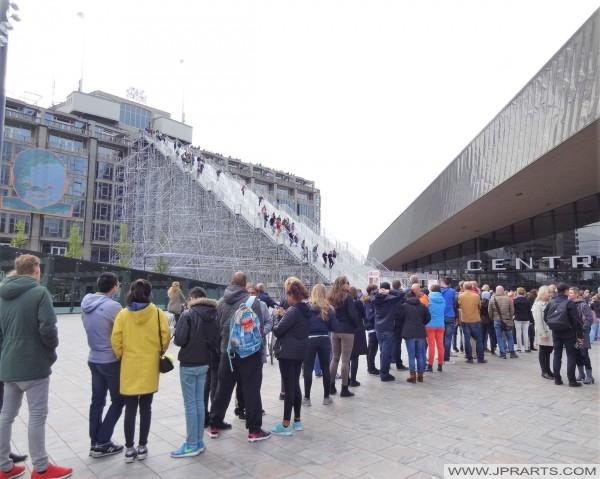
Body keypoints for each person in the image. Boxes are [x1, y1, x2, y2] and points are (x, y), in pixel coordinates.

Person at [0, 255, 73, 479]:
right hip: (34, 364)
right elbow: (48, 328)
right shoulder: (40, 293)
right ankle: (41, 467)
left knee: (6, 415)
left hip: (8, 363)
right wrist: (50, 350)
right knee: (37, 416)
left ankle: (4, 466)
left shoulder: (2, 294)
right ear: (36, 270)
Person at [111, 279, 171, 462]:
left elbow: (116, 339)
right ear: (149, 292)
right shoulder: (158, 313)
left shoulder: (122, 314)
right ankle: (142, 445)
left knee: (130, 409)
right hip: (149, 365)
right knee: (146, 408)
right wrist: (158, 352)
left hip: (129, 365)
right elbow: (166, 336)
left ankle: (129, 449)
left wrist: (122, 355)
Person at [207, 272, 271, 442]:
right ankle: (254, 430)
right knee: (251, 390)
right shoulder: (253, 302)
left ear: (231, 283)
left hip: (227, 353)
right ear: (245, 285)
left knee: (223, 389)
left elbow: (217, 328)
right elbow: (258, 328)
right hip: (249, 354)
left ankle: (214, 424)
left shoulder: (220, 303)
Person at [171, 287, 220, 458]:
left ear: (192, 298)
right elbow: (216, 340)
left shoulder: (188, 315)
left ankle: (192, 444)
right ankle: (198, 441)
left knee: (190, 404)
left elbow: (179, 340)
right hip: (205, 362)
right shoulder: (214, 314)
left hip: (189, 363)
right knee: (199, 401)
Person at [81, 272, 125, 458]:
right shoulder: (114, 306)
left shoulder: (86, 303)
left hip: (94, 358)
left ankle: (95, 440)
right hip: (110, 360)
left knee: (97, 401)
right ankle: (103, 440)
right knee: (118, 400)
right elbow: (124, 331)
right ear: (114, 287)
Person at [271, 277, 311, 436]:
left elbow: (278, 330)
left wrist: (279, 316)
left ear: (292, 295)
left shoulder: (293, 311)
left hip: (287, 352)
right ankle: (297, 420)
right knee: (295, 384)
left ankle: (286, 424)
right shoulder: (306, 309)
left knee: (289, 387)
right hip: (300, 351)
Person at [544, 283, 583, 387]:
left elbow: (545, 316)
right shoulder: (569, 303)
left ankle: (557, 379)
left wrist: (552, 325)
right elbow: (576, 321)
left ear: (557, 290)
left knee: (557, 354)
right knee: (571, 355)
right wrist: (580, 334)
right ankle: (572, 381)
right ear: (566, 291)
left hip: (556, 332)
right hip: (568, 332)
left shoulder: (551, 302)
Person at [303, 284, 336, 406]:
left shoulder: (307, 307)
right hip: (324, 339)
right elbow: (333, 326)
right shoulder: (329, 308)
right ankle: (326, 397)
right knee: (325, 368)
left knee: (308, 369)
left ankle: (307, 398)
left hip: (309, 339)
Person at [328, 276, 359, 397]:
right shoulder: (348, 297)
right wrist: (356, 325)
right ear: (342, 284)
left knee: (335, 358)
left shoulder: (331, 297)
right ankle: (344, 389)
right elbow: (352, 315)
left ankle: (331, 387)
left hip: (334, 331)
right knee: (345, 360)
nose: (348, 284)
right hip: (347, 331)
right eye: (347, 283)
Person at [373, 282, 404, 382]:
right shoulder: (391, 299)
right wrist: (389, 291)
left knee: (383, 350)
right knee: (386, 351)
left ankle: (384, 370)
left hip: (378, 327)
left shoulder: (374, 298)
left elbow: (370, 294)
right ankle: (384, 374)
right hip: (388, 328)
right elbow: (401, 294)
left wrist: (379, 290)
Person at [400, 289, 431, 383]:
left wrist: (405, 325)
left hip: (409, 333)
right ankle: (421, 375)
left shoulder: (404, 306)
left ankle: (412, 376)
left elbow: (400, 319)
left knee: (411, 355)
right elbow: (428, 318)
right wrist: (422, 323)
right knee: (420, 355)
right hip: (421, 332)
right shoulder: (422, 306)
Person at [569, 287, 594, 384]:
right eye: (569, 293)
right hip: (573, 335)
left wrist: (582, 329)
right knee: (577, 354)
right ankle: (581, 374)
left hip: (582, 335)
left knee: (584, 354)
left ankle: (589, 376)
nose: (569, 295)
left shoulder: (583, 305)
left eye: (571, 293)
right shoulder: (569, 304)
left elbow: (589, 319)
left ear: (576, 294)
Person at [458, 282, 486, 364]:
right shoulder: (476, 296)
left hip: (465, 320)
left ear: (464, 287)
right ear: (471, 287)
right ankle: (480, 358)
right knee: (479, 340)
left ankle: (469, 358)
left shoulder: (461, 296)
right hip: (475, 320)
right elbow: (479, 307)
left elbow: (459, 306)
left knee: (467, 340)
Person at [489, 286, 518, 359]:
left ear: (496, 291)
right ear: (503, 291)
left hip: (497, 320)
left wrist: (493, 318)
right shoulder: (508, 299)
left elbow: (490, 312)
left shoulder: (492, 299)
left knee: (499, 337)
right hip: (507, 320)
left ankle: (502, 353)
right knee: (510, 337)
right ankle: (512, 352)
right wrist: (510, 317)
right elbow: (512, 310)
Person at [532, 286, 553, 380]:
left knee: (547, 352)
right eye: (548, 292)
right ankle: (544, 371)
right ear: (543, 293)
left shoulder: (548, 303)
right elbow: (538, 321)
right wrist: (543, 334)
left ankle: (548, 370)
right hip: (543, 332)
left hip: (549, 331)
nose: (550, 294)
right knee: (543, 351)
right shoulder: (538, 305)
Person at [348, 287, 367, 387]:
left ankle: (346, 379)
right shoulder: (358, 303)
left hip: (347, 330)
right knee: (355, 357)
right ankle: (353, 380)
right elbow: (364, 315)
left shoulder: (344, 303)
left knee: (347, 357)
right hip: (358, 330)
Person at [425, 284, 445, 372]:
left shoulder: (428, 299)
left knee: (431, 346)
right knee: (440, 345)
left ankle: (430, 365)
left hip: (430, 325)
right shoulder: (443, 300)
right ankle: (440, 365)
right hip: (441, 325)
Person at [390, 280, 407, 371]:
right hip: (399, 321)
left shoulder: (388, 294)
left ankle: (390, 359)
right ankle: (398, 363)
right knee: (397, 343)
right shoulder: (402, 295)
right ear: (399, 285)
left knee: (390, 342)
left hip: (389, 321)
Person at [363, 284, 379, 375]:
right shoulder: (369, 300)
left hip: (372, 326)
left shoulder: (368, 299)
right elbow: (369, 315)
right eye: (376, 289)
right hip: (372, 327)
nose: (377, 290)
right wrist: (377, 315)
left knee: (372, 348)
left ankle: (371, 367)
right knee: (372, 349)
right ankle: (371, 368)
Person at [440, 278, 457, 363]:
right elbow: (455, 303)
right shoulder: (452, 291)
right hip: (450, 316)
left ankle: (441, 355)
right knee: (448, 337)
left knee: (441, 337)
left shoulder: (438, 292)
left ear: (443, 282)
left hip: (441, 316)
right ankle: (446, 356)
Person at [513, 287, 532, 353]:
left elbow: (513, 310)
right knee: (525, 333)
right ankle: (526, 348)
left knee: (518, 333)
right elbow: (529, 311)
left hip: (517, 318)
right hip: (526, 318)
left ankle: (519, 348)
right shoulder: (527, 301)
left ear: (517, 292)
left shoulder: (514, 300)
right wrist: (531, 319)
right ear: (524, 292)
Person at [480, 290, 496, 355]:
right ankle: (493, 349)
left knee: (482, 335)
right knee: (491, 335)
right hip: (489, 320)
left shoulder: (480, 302)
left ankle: (482, 348)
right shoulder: (491, 302)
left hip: (482, 320)